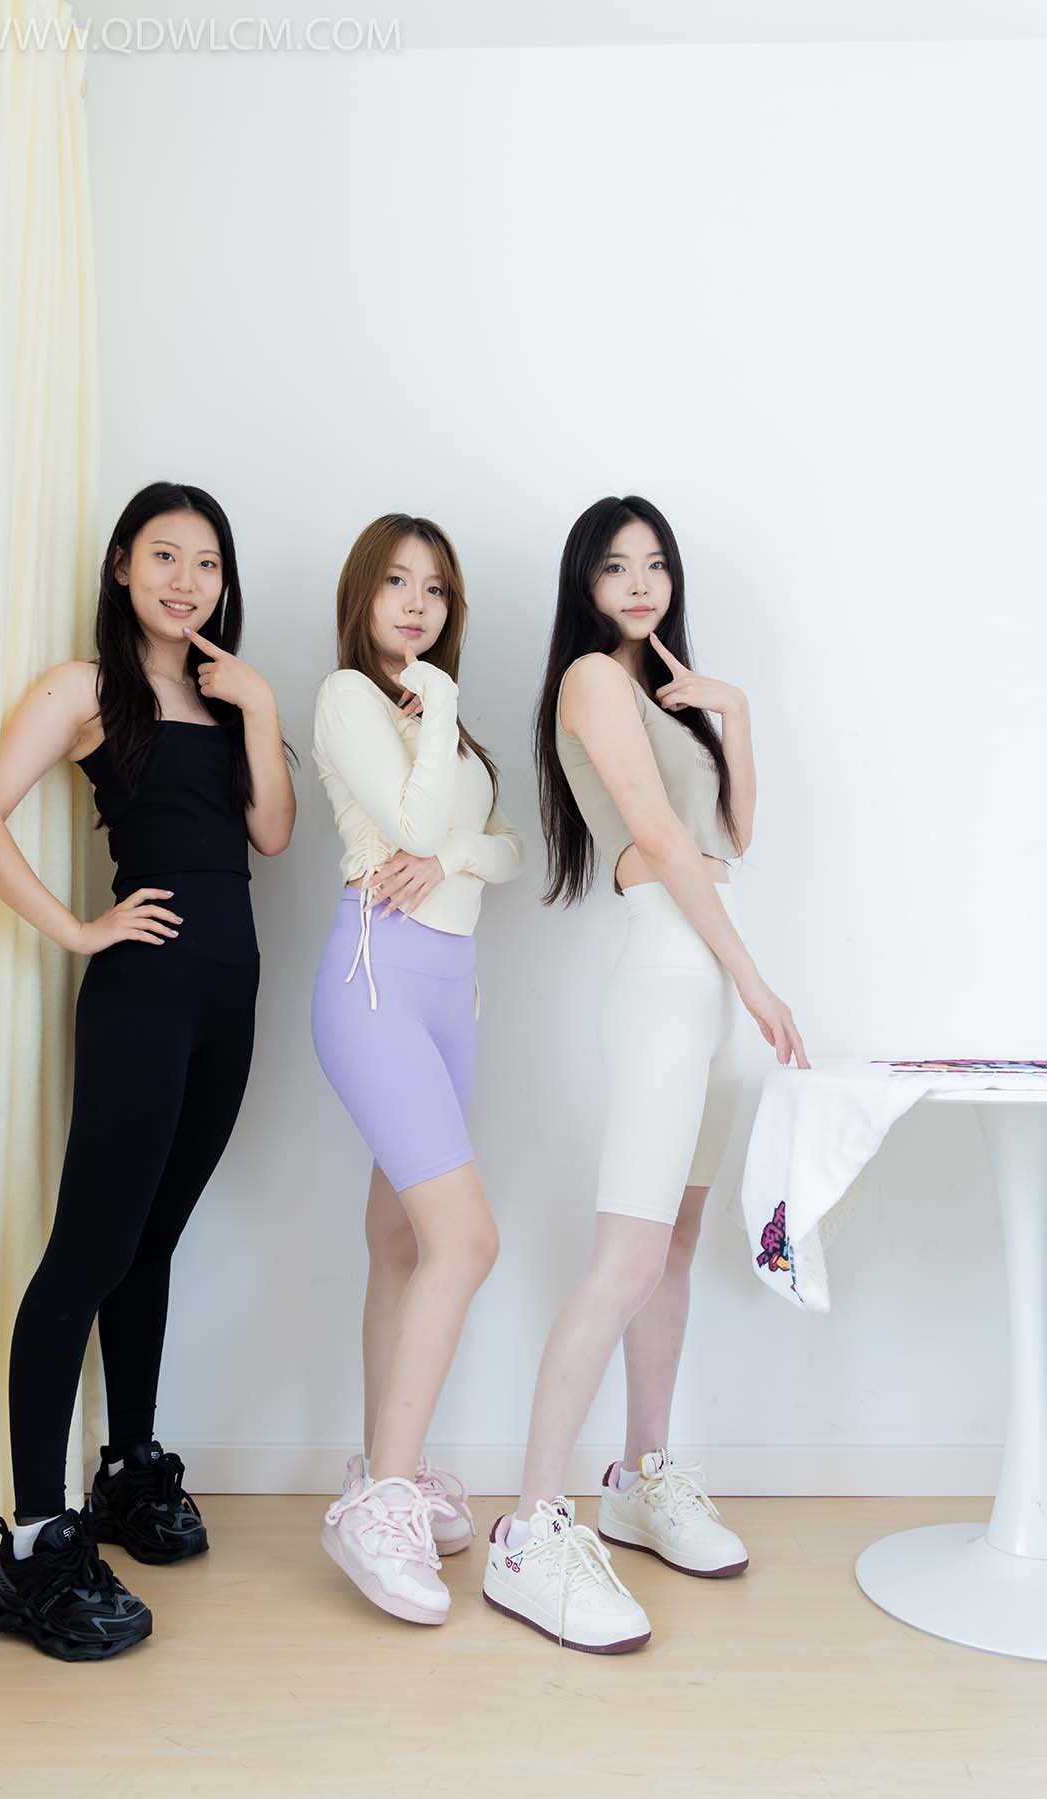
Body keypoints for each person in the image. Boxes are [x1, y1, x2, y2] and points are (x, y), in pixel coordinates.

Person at [0, 481, 295, 1660]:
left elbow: (272, 834)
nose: (186, 580)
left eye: (207, 561)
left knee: (152, 1241)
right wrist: (76, 927)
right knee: (86, 1253)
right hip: (144, 997)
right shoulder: (83, 689)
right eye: (164, 555)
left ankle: (129, 1468)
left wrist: (261, 705)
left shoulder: (229, 690)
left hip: (230, 999)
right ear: (121, 565)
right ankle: (33, 1546)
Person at [483, 494, 808, 1654]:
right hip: (674, 972)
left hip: (708, 977)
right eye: (615, 565)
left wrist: (735, 711)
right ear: (586, 581)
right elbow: (667, 846)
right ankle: (529, 1528)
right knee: (624, 1258)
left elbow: (734, 834)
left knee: (672, 1244)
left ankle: (641, 1475)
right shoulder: (589, 680)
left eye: (655, 564)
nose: (638, 583)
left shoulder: (667, 694)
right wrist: (754, 978)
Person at [311, 513, 523, 1626]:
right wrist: (435, 701)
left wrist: (453, 854)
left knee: (403, 1236)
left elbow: (500, 850)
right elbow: (410, 818)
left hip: (452, 993)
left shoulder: (445, 723)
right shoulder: (352, 697)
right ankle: (382, 1501)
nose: (415, 602)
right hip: (379, 978)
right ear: (365, 593)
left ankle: (378, 1462)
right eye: (396, 582)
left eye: (435, 588)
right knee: (466, 1238)